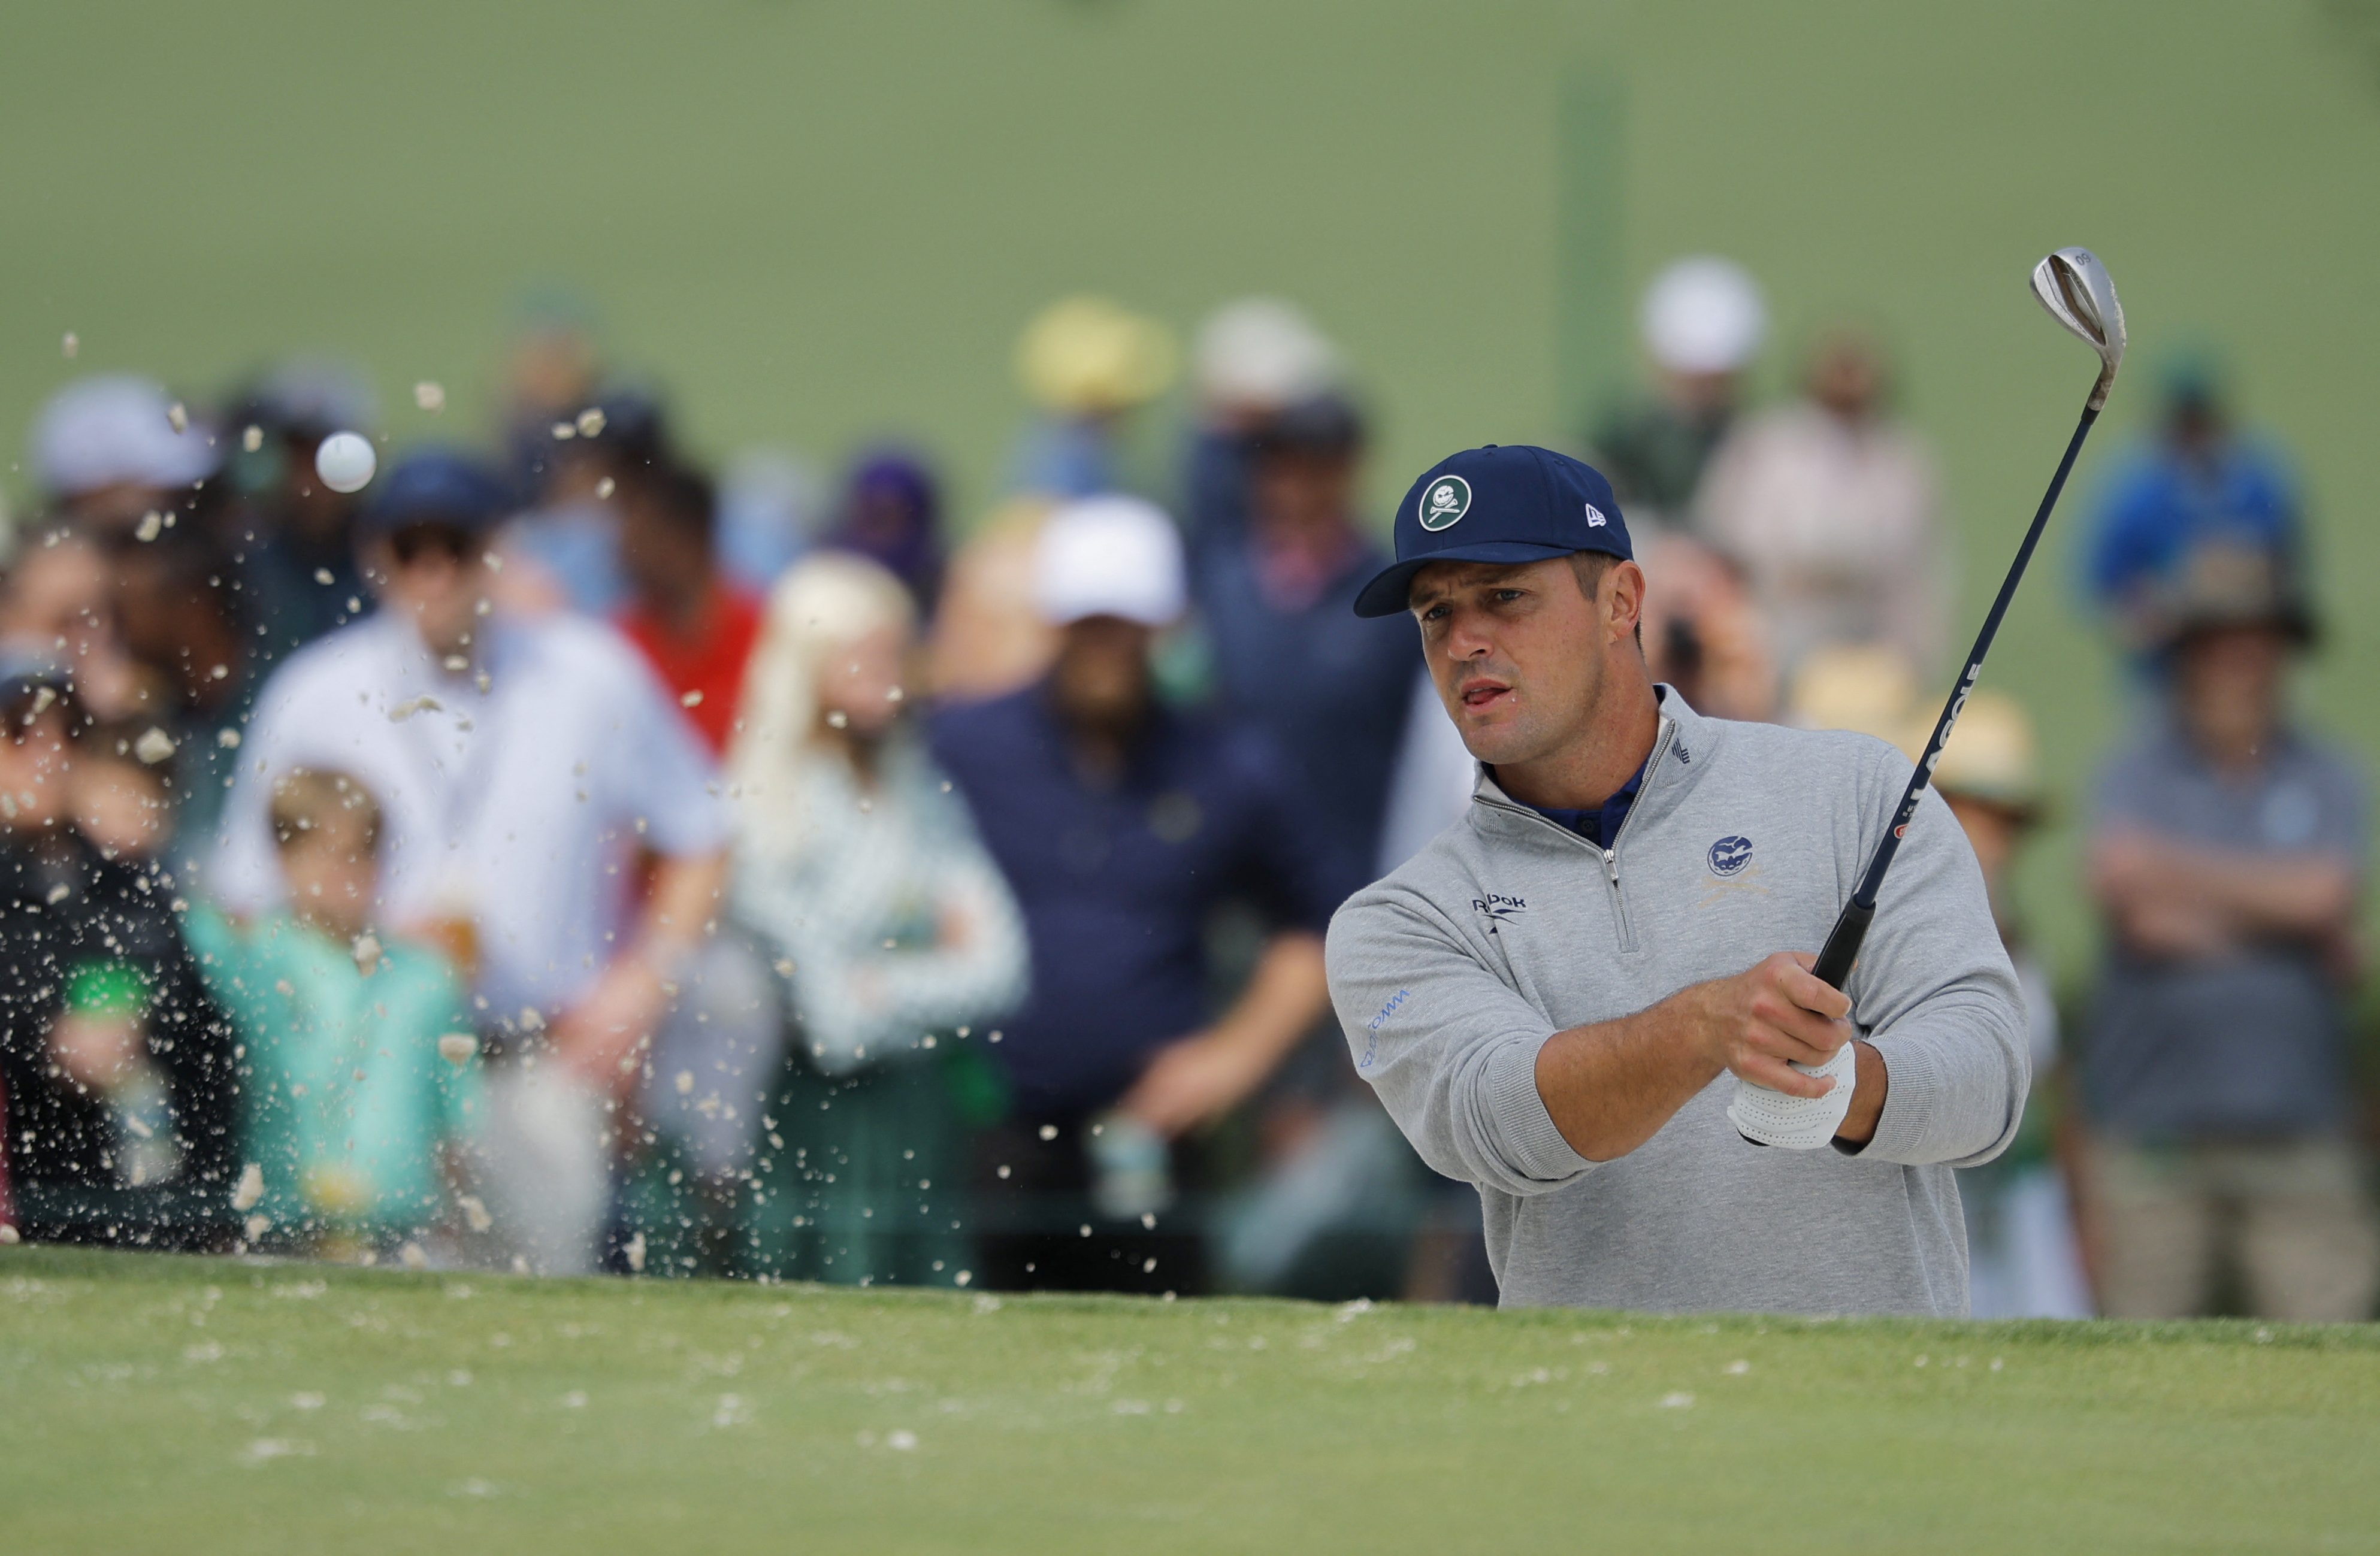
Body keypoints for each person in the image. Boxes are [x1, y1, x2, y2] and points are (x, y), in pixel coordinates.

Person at [1327, 444, 2028, 1314]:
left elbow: (1990, 1077)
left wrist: (1844, 1085)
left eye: (1504, 597)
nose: (1465, 639)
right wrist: (1703, 1027)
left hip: (1874, 1421)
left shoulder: (1856, 791)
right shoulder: (1398, 920)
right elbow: (1498, 1122)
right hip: (1601, 1435)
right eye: (1436, 614)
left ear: (1619, 601)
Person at [207, 447, 731, 1274]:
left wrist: (644, 984)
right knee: (372, 1312)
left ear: (497, 549)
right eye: (411, 546)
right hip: (376, 1062)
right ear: (375, 554)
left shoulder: (589, 673)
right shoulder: (315, 690)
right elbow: (245, 895)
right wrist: (358, 941)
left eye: (456, 544)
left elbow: (702, 831)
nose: (434, 568)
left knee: (547, 1299)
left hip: (539, 1053)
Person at [932, 497, 1341, 1294]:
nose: (1104, 649)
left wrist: (1235, 1058)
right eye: (1087, 624)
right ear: (1054, 622)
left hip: (1155, 1138)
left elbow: (1319, 922)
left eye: (1125, 626)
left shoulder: (1225, 761)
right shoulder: (965, 743)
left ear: (1163, 627)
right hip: (989, 1123)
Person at [703, 553, 1028, 1285]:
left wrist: (880, 984)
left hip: (921, 1117)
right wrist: (927, 964)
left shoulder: (922, 793)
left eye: (894, 649)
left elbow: (1002, 969)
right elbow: (834, 1024)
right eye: (864, 651)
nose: (888, 669)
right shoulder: (762, 809)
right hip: (806, 1124)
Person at [2080, 543, 2376, 1321]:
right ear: (2185, 654)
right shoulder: (2135, 768)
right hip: (2157, 1133)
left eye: (2259, 638)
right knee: (2141, 1365)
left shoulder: (2325, 770)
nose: (2240, 660)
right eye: (2219, 641)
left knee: (2332, 1365)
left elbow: (2327, 891)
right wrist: (2283, 922)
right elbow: (2135, 909)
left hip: (2300, 1126)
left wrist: (2177, 876)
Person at [183, 770, 481, 1256]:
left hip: (400, 1229)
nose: (347, 873)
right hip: (275, 1224)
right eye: (326, 852)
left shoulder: (426, 977)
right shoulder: (242, 958)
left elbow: (456, 1127)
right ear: (284, 857)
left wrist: (458, 1224)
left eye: (362, 853)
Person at [0, 656, 238, 1248]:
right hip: (19, 1198)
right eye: (21, 732)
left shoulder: (127, 883)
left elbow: (207, 1039)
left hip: (121, 1198)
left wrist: (146, 1033)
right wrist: (42, 1044)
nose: (49, 751)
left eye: (68, 730)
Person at [1907, 692, 2093, 1318]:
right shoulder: (1895, 945)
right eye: (1970, 812)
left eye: (2003, 820)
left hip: (2023, 1206)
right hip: (1938, 1200)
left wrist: (2080, 1214)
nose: (1990, 840)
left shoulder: (2018, 937)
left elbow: (2055, 1086)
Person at [1189, 393, 1417, 899]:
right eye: (1279, 464)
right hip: (1231, 878)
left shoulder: (1392, 597)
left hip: (1356, 875)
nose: (1294, 484)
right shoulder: (1220, 583)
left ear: (1348, 468)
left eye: (1315, 465)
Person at [1695, 328, 1948, 681]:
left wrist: (1916, 655)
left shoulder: (1902, 460)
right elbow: (1729, 543)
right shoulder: (1767, 447)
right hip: (1783, 631)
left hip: (1872, 638)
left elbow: (1917, 569)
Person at [2083, 357, 2304, 660]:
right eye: (2184, 423)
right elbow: (2100, 585)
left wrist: (2243, 580)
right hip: (2165, 670)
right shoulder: (2136, 496)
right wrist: (2152, 608)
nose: (2194, 435)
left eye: (2200, 420)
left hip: (2253, 661)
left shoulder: (2259, 481)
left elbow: (2292, 566)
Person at [219, 359, 379, 665]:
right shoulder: (244, 559)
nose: (306, 480)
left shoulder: (391, 554)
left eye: (323, 458)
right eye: (295, 455)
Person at [1587, 258, 1765, 527]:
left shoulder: (1763, 445)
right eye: (1694, 376)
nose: (1704, 389)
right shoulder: (1625, 438)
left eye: (1715, 377)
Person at [613, 459, 765, 756]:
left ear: (687, 535)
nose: (622, 547)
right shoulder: (618, 642)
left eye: (641, 532)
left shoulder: (762, 633)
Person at [821, 449, 946, 614]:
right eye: (870, 517)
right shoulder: (823, 577)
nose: (876, 536)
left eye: (887, 519)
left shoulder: (942, 589)